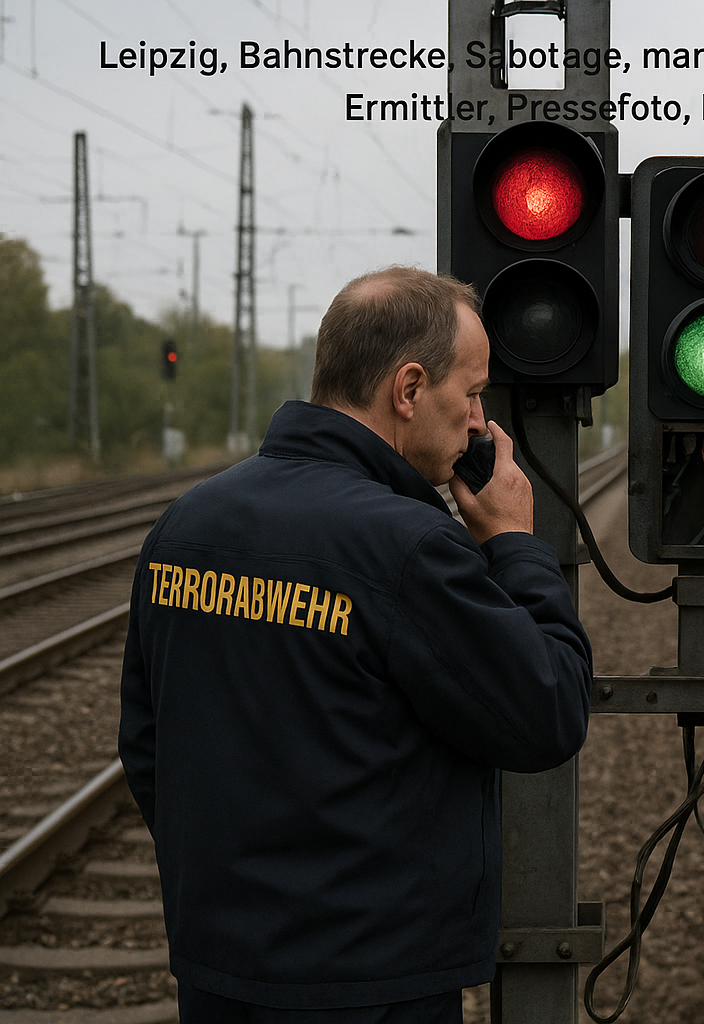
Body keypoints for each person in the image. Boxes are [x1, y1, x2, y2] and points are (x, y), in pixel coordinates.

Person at [118, 266, 593, 1021]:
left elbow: (147, 744)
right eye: (470, 395)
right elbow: (548, 709)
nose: (478, 424)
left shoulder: (185, 527)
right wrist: (514, 544)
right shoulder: (407, 547)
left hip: (220, 971)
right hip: (373, 982)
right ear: (408, 390)